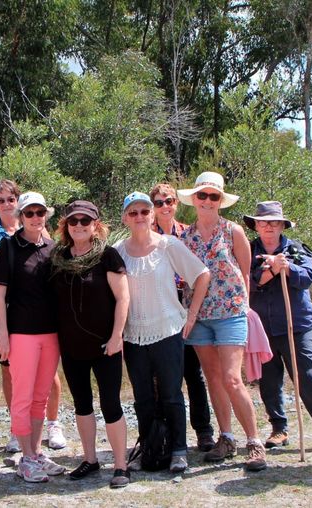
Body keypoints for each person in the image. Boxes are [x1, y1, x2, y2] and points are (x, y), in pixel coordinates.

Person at [114, 192, 210, 474]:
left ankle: (179, 450)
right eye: (133, 213)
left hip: (168, 330)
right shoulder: (118, 250)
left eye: (145, 211)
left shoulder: (168, 245)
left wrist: (191, 315)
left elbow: (201, 274)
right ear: (125, 218)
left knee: (170, 394)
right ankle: (150, 449)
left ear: (152, 215)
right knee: (142, 396)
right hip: (134, 335)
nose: (140, 217)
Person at [177, 171, 267, 472]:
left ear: (220, 201)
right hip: (199, 316)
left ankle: (254, 442)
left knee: (232, 378)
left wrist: (245, 308)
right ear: (194, 199)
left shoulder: (233, 231)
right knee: (213, 378)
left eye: (213, 196)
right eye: (202, 195)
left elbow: (245, 272)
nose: (207, 201)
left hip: (230, 313)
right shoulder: (185, 237)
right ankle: (226, 438)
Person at [245, 201, 312, 455]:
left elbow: (307, 278)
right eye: (263, 222)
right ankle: (279, 428)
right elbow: (247, 282)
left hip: (295, 325)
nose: (268, 226)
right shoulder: (246, 250)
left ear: (281, 225)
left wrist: (286, 266)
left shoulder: (296, 249)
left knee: (308, 377)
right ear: (256, 225)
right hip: (263, 328)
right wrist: (270, 269)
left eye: (274, 222)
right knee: (268, 381)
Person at [0, 180, 66, 453]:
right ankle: (23, 442)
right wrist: (13, 274)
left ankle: (42, 439)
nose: (35, 217)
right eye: (30, 213)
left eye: (40, 213)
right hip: (11, 322)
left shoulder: (50, 245)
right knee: (17, 383)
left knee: (45, 385)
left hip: (47, 326)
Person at [50, 200, 131, 488]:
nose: (80, 225)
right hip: (72, 348)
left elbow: (123, 298)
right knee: (82, 405)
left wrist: (116, 336)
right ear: (66, 226)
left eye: (86, 220)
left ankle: (121, 465)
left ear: (96, 224)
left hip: (105, 346)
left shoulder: (108, 256)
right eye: (74, 221)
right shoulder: (58, 258)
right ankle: (90, 459)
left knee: (111, 404)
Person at [149, 182, 216, 451]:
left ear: (177, 203)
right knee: (159, 378)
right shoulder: (146, 235)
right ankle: (163, 434)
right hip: (158, 309)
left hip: (187, 307)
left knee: (193, 372)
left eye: (169, 201)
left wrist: (193, 312)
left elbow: (201, 273)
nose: (165, 206)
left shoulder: (188, 235)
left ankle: (203, 431)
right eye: (159, 202)